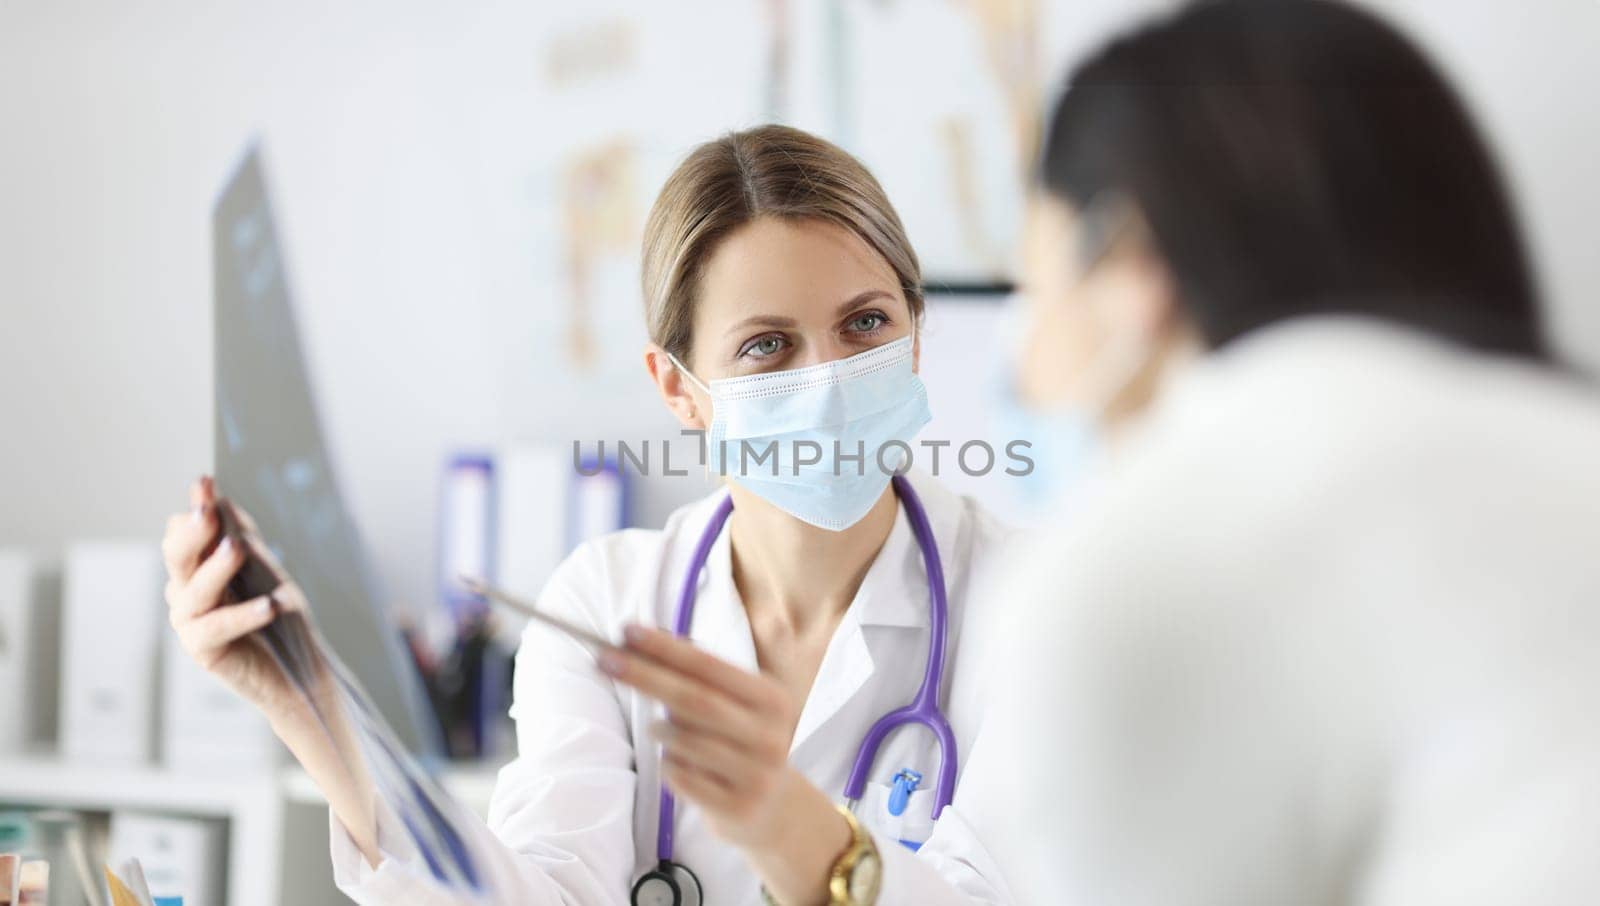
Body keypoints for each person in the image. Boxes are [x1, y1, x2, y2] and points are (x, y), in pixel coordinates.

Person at [160, 125, 1019, 905]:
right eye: (767, 346)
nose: (828, 381)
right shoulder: (606, 603)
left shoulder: (1035, 603)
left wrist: (785, 822)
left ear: (913, 338)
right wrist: (311, 703)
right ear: (679, 388)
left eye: (864, 323)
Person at [948, 1, 1600, 903]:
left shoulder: (1143, 564)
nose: (1023, 349)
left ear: (1132, 267)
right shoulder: (1564, 440)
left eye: (1035, 279)